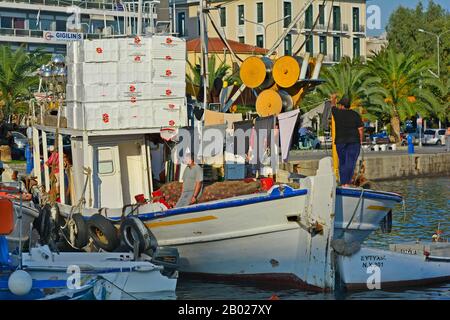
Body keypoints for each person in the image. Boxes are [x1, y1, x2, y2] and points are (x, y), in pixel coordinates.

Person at [331, 94, 364, 187]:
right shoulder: (355, 114)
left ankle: (343, 183)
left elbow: (332, 106)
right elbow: (360, 129)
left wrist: (333, 99)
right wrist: (360, 141)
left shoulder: (337, 113)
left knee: (342, 163)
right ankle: (347, 183)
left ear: (341, 105)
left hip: (340, 142)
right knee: (350, 162)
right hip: (354, 141)